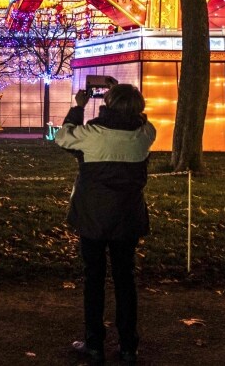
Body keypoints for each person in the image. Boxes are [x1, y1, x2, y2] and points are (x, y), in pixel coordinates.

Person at [54, 84, 156, 364]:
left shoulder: (92, 134)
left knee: (94, 279)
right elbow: (145, 124)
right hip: (128, 217)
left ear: (107, 104)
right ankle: (128, 346)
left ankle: (94, 343)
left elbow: (63, 137)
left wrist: (78, 107)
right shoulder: (145, 134)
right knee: (125, 279)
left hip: (93, 216)